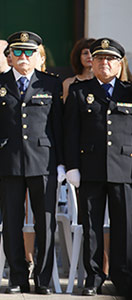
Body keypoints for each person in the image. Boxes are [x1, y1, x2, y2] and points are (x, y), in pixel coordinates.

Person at [0, 31, 64, 295]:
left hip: (44, 161)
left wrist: (63, 163)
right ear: (9, 55)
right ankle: (18, 276)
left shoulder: (50, 84)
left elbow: (58, 126)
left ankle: (43, 278)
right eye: (17, 51)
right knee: (11, 221)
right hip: (9, 160)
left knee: (46, 222)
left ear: (37, 55)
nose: (22, 57)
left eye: (28, 52)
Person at [64, 38, 132, 298]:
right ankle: (93, 277)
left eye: (110, 59)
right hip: (90, 168)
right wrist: (72, 166)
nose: (105, 63)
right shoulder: (81, 91)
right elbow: (71, 132)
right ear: (91, 62)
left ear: (119, 64)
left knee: (124, 227)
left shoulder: (128, 91)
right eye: (100, 58)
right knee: (91, 226)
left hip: (125, 168)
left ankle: (123, 276)